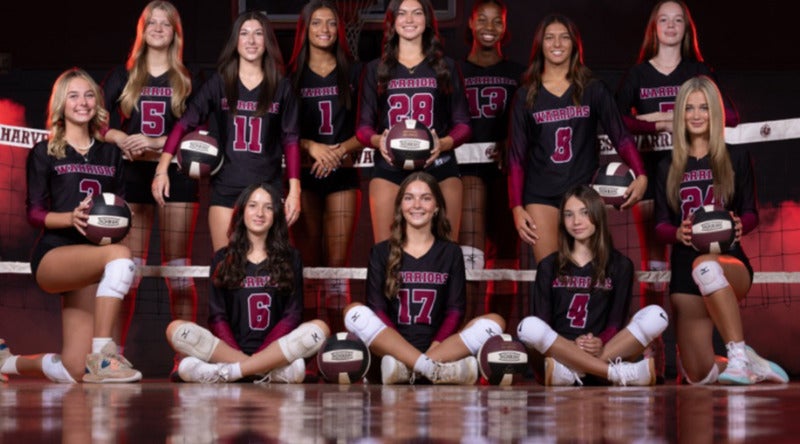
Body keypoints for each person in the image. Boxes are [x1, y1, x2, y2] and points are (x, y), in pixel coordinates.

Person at [616, 0, 740, 376]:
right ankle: (653, 348)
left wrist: (674, 118)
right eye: (663, 19)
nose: (671, 26)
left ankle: (696, 346)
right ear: (653, 27)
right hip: (654, 176)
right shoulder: (639, 74)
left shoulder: (697, 71)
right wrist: (657, 123)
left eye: (678, 20)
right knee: (655, 266)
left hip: (694, 176)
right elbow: (616, 119)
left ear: (687, 29)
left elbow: (731, 115)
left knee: (695, 262)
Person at [0, 68, 141, 383]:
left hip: (92, 258)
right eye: (73, 96)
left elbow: (120, 207)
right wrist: (71, 218)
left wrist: (121, 219)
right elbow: (34, 213)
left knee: (74, 369)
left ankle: (6, 362)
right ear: (61, 104)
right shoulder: (45, 151)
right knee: (121, 256)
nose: (83, 102)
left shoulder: (110, 154)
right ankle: (104, 356)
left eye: (89, 95)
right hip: (55, 255)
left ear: (97, 103)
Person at [654, 76, 787, 385]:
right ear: (680, 114)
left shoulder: (735, 157)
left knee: (707, 266)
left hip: (729, 263)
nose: (696, 115)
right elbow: (660, 224)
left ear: (714, 112)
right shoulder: (666, 166)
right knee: (697, 375)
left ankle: (738, 357)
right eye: (689, 108)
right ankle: (750, 361)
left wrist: (741, 224)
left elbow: (751, 213)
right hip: (685, 269)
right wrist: (677, 234)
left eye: (704, 107)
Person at [151, 10, 301, 253]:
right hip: (227, 187)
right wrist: (161, 169)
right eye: (244, 33)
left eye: (258, 34)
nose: (251, 40)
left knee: (269, 266)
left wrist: (295, 190)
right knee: (225, 266)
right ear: (235, 41)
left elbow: (291, 139)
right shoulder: (220, 83)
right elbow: (185, 123)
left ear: (267, 41)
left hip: (266, 189)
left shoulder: (281, 86)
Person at [102, 0, 199, 367]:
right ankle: (113, 355)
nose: (158, 28)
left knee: (179, 269)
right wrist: (120, 137)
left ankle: (186, 358)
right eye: (152, 22)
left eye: (166, 23)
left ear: (175, 32)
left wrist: (158, 143)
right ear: (142, 31)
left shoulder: (188, 78)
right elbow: (94, 119)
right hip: (133, 177)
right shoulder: (123, 76)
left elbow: (199, 133)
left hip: (176, 177)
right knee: (128, 271)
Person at [508, 14, 648, 264]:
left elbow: (621, 136)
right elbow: (516, 158)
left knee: (585, 272)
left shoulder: (593, 88)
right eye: (549, 38)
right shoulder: (526, 95)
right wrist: (516, 206)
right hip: (541, 196)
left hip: (582, 192)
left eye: (564, 37)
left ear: (574, 44)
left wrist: (641, 174)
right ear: (540, 44)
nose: (557, 44)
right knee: (549, 273)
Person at [343, 172, 505, 385]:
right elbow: (377, 309)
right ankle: (431, 369)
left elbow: (455, 311)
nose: (417, 205)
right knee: (352, 311)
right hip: (392, 348)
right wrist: (400, 348)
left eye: (426, 198)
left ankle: (412, 368)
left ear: (436, 207)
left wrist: (435, 347)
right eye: (409, 198)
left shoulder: (451, 252)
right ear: (401, 205)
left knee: (496, 321)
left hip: (439, 347)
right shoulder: (381, 252)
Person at [164, 183, 330, 383]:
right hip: (229, 350)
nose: (260, 213)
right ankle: (267, 372)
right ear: (242, 211)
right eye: (253, 205)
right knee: (175, 329)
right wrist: (243, 356)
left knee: (320, 328)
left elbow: (292, 315)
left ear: (276, 215)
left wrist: (264, 353)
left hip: (276, 349)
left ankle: (229, 372)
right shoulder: (223, 258)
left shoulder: (290, 257)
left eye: (268, 207)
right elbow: (217, 318)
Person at [516, 185, 667, 386]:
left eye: (584, 213)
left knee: (657, 315)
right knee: (528, 327)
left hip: (601, 349)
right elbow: (543, 321)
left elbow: (615, 322)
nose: (576, 221)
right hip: (557, 352)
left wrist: (600, 341)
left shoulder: (620, 265)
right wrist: (570, 346)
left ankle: (573, 373)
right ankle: (612, 373)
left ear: (597, 214)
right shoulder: (549, 265)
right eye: (569, 214)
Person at [356, 0, 471, 243]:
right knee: (386, 250)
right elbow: (362, 127)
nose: (409, 20)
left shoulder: (447, 67)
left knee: (447, 250)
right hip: (390, 167)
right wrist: (379, 141)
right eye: (402, 13)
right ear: (392, 21)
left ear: (427, 20)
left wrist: (443, 143)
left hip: (439, 165)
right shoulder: (376, 69)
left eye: (417, 13)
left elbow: (463, 124)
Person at [287, 1, 363, 330]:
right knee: (308, 265)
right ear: (305, 29)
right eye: (317, 23)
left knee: (336, 266)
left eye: (331, 23)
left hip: (342, 174)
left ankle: (337, 341)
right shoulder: (291, 76)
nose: (325, 29)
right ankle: (307, 339)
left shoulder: (354, 72)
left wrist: (339, 150)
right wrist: (311, 146)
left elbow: (367, 127)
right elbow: (282, 130)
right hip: (302, 177)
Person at [457, 0, 524, 320]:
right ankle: (466, 331)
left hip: (504, 171)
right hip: (465, 168)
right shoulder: (455, 70)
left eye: (497, 21)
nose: (489, 27)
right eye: (482, 19)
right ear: (471, 24)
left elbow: (527, 121)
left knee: (506, 255)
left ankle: (499, 332)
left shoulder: (518, 74)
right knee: (470, 252)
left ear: (504, 27)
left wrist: (512, 138)